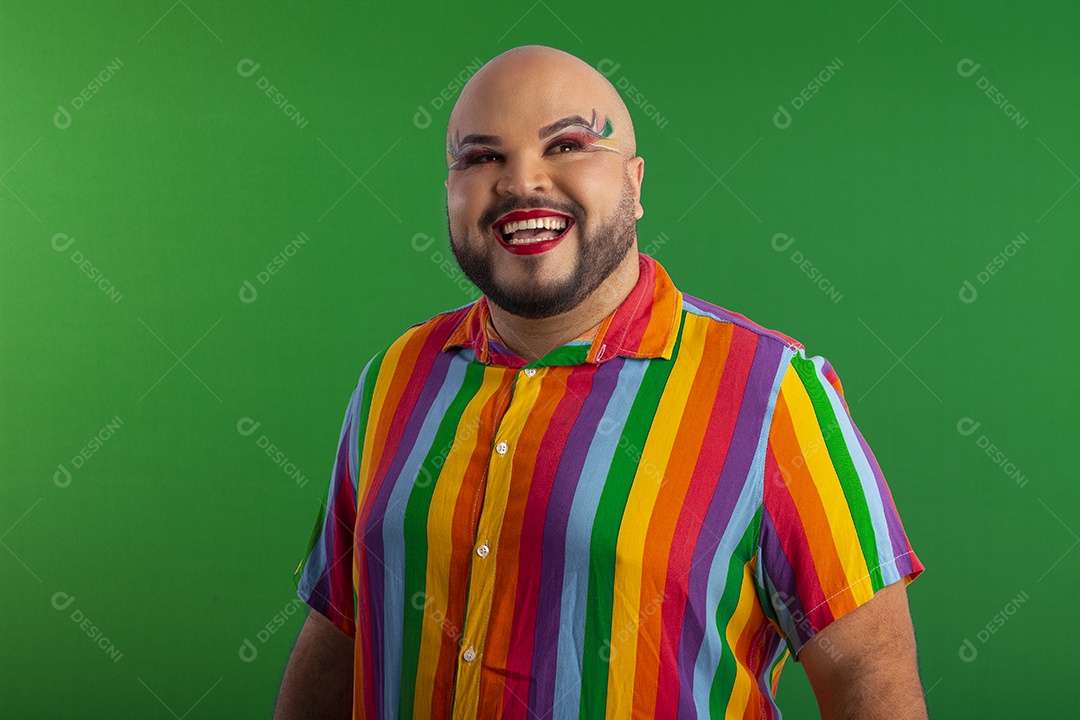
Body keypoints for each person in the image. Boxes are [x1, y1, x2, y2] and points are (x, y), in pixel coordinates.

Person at [273, 45, 926, 720]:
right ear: (450, 191)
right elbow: (338, 631)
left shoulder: (772, 392)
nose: (522, 182)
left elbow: (870, 677)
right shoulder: (394, 377)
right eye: (482, 157)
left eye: (567, 145)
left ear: (636, 185)